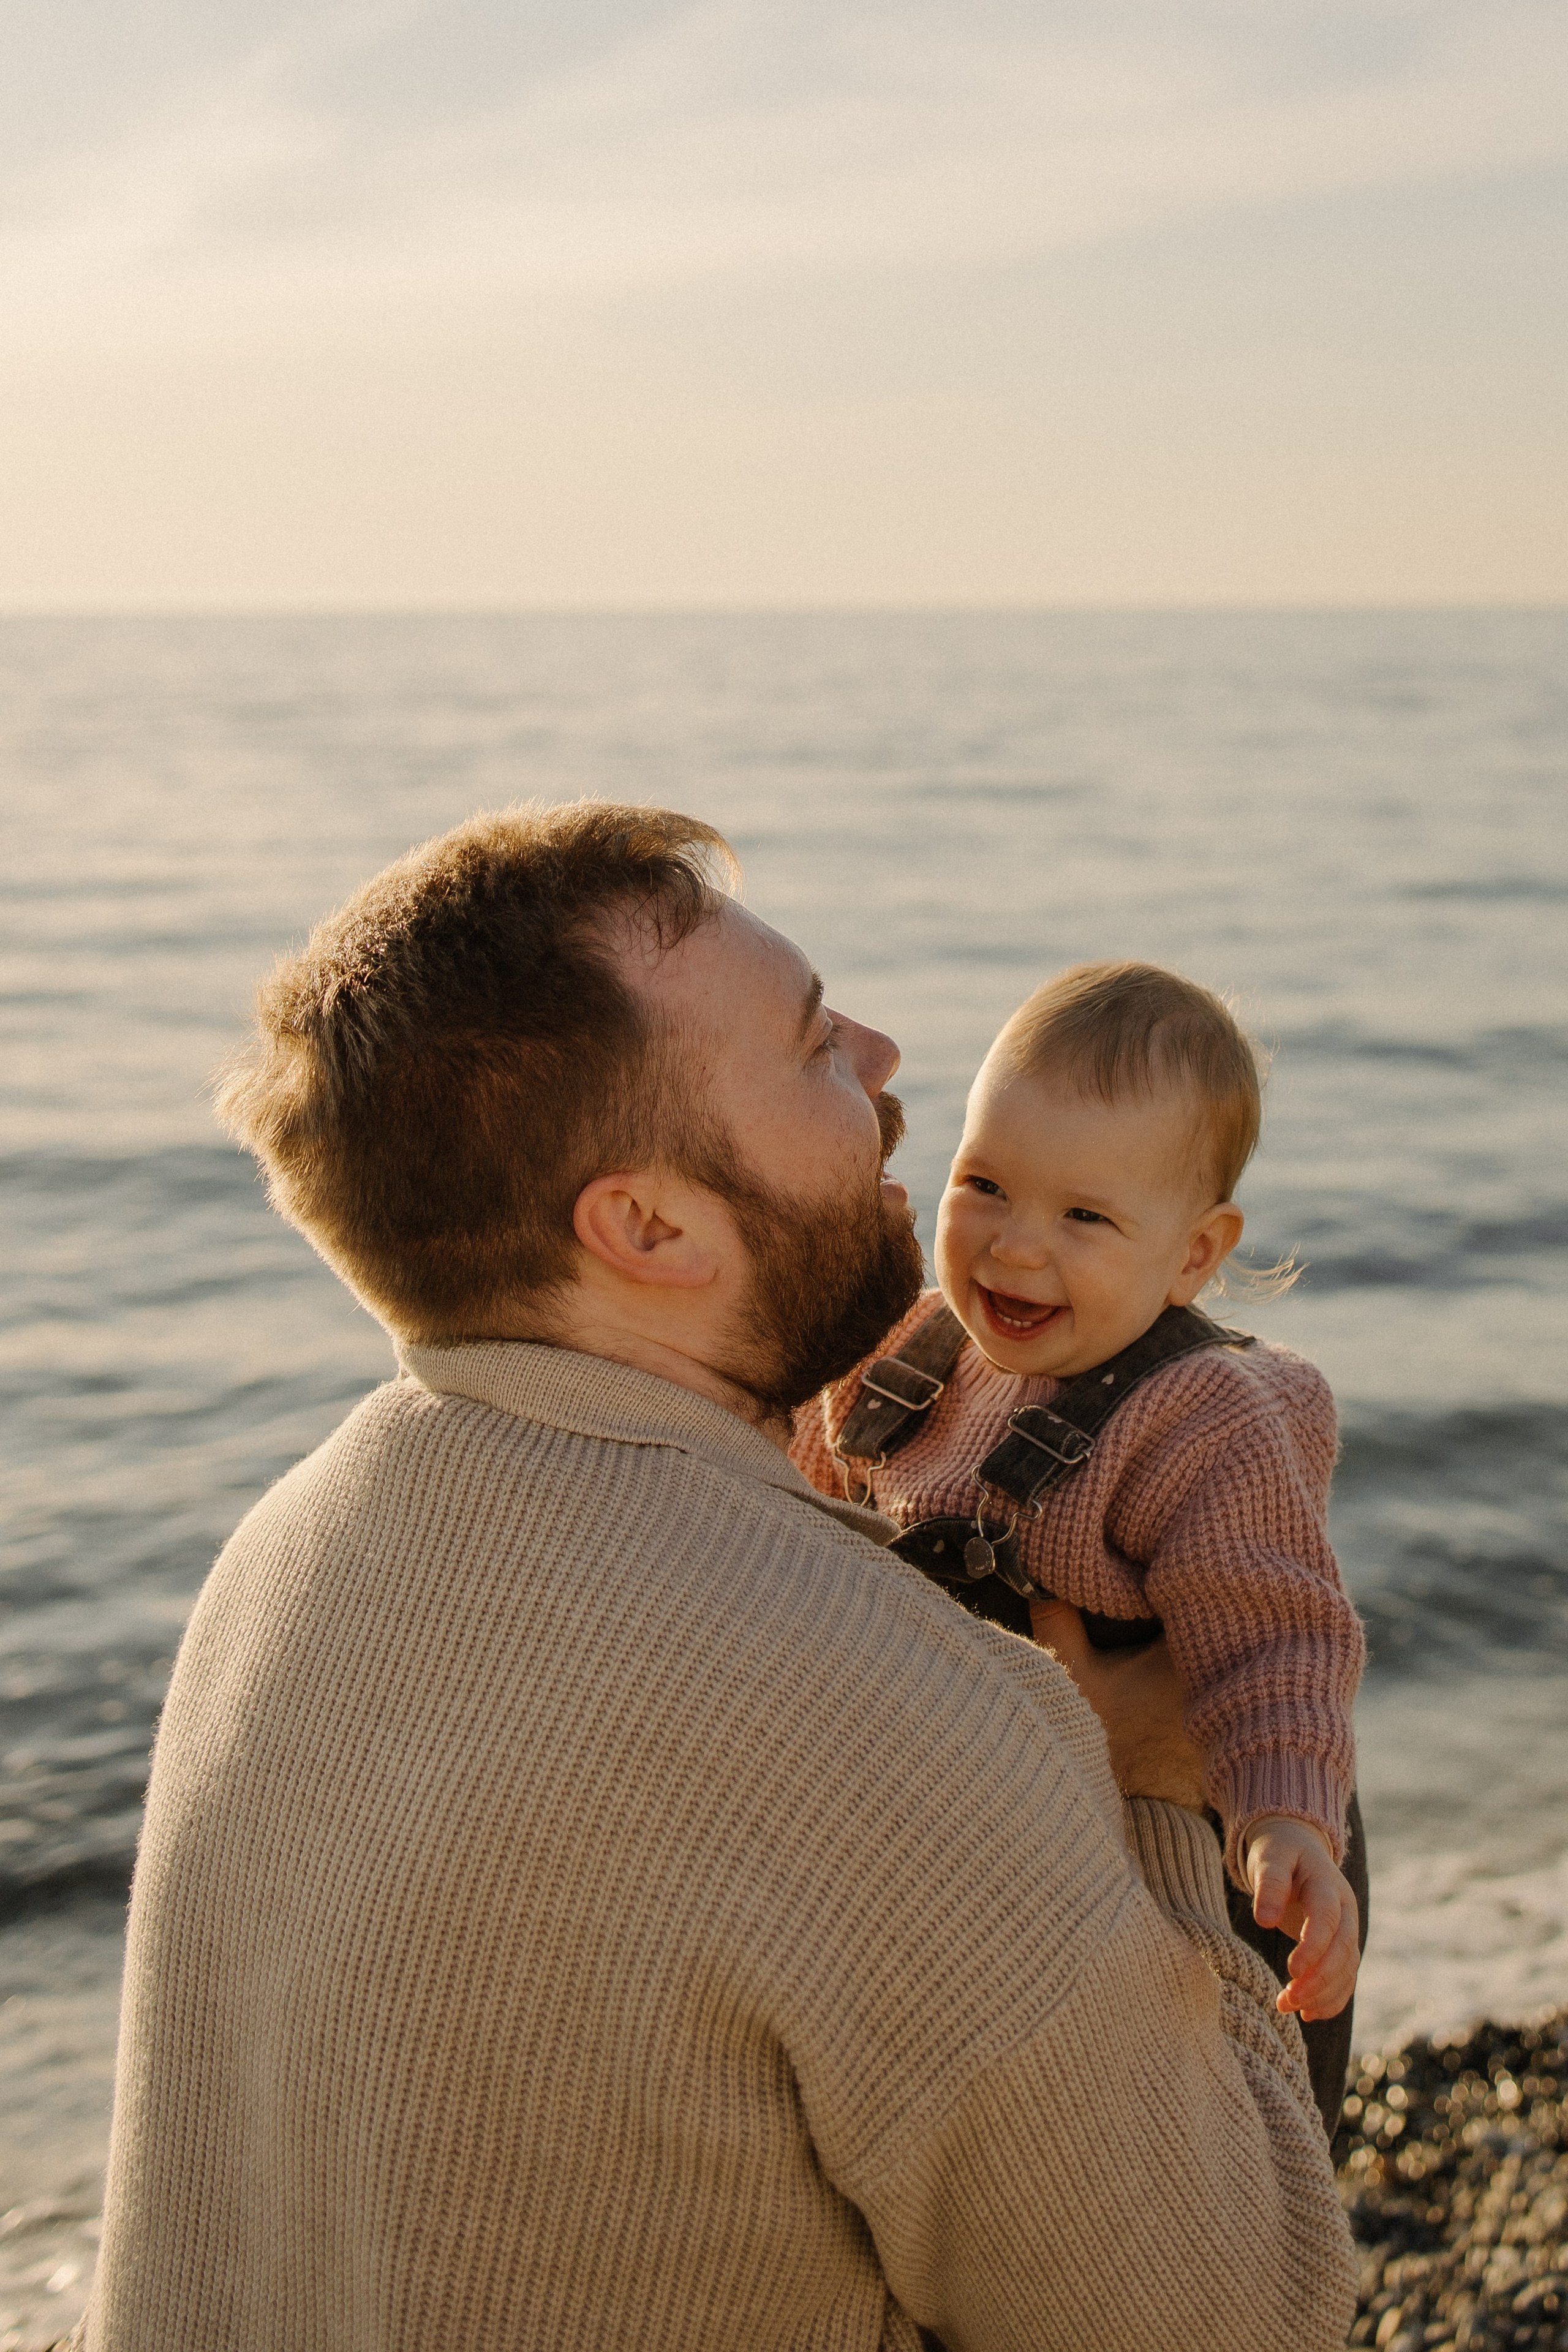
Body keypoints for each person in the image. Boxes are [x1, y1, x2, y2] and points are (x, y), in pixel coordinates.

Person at [77, 807, 1357, 2352]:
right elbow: (1230, 2315)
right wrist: (1153, 1789)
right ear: (646, 1224)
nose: (885, 1058)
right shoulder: (872, 1723)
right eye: (817, 1048)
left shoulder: (287, 1554)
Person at [791, 962, 1367, 2132]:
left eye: (1086, 1217)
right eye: (986, 1184)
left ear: (1196, 1254)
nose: (1013, 1248)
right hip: (990, 1819)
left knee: (1203, 2120)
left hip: (1212, 1846)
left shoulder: (1206, 1418)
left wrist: (1287, 1822)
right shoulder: (906, 1349)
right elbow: (798, 1517)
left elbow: (1275, 1640)